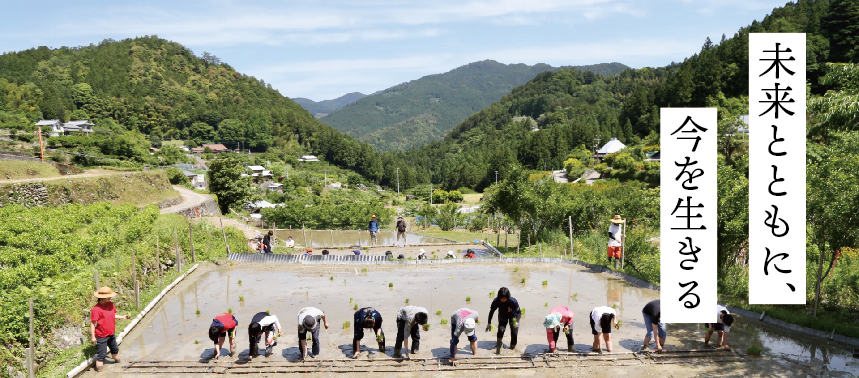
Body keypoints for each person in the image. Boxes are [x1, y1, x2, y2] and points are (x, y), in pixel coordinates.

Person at [90, 287, 130, 372]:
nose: (110, 298)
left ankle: (119, 365)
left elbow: (112, 315)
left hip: (111, 334)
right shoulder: (96, 309)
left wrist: (122, 317)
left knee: (115, 350)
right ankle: (100, 373)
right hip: (101, 336)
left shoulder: (110, 304)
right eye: (108, 296)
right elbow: (93, 323)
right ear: (102, 297)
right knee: (102, 355)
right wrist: (93, 337)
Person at [486, 287, 521, 353]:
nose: (503, 300)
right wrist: (489, 323)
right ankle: (499, 344)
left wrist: (517, 321)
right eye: (502, 298)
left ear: (508, 297)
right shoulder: (496, 301)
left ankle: (512, 348)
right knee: (501, 330)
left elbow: (519, 313)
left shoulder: (513, 301)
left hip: (513, 316)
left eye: (505, 298)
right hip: (502, 315)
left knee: (514, 332)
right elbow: (491, 312)